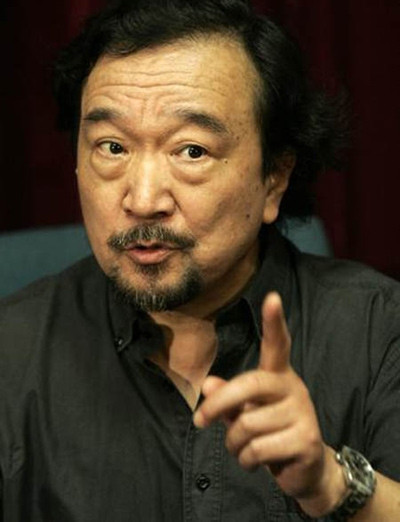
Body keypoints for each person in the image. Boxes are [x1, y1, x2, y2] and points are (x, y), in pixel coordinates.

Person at [1, 0, 399, 520]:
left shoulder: (378, 330)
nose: (143, 199)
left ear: (274, 178)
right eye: (112, 147)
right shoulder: (12, 351)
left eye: (191, 151)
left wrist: (329, 483)